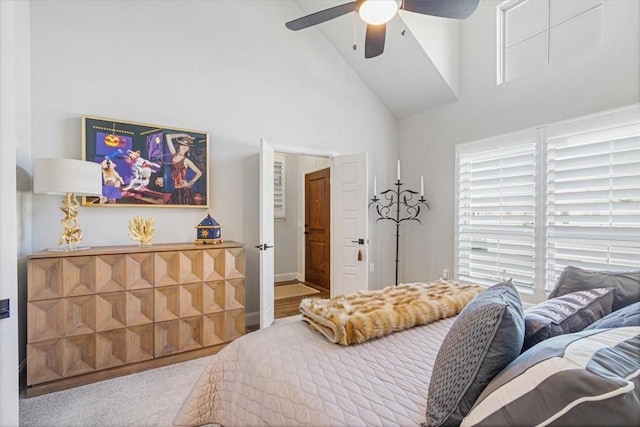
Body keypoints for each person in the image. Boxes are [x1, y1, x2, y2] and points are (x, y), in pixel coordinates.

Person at [165, 133, 203, 204]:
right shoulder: (173, 155)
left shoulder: (186, 160)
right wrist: (184, 135)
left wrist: (190, 182)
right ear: (179, 146)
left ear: (188, 149)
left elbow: (199, 173)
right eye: (182, 145)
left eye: (186, 146)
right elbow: (168, 136)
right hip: (176, 191)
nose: (184, 148)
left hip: (184, 192)